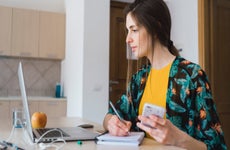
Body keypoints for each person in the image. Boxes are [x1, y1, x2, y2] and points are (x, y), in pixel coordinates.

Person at [103, 0, 227, 150]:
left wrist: (179, 139)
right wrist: (111, 122)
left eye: (134, 30)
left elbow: (217, 146)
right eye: (127, 31)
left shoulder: (192, 76)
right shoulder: (139, 79)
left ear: (156, 28)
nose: (127, 39)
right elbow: (111, 114)